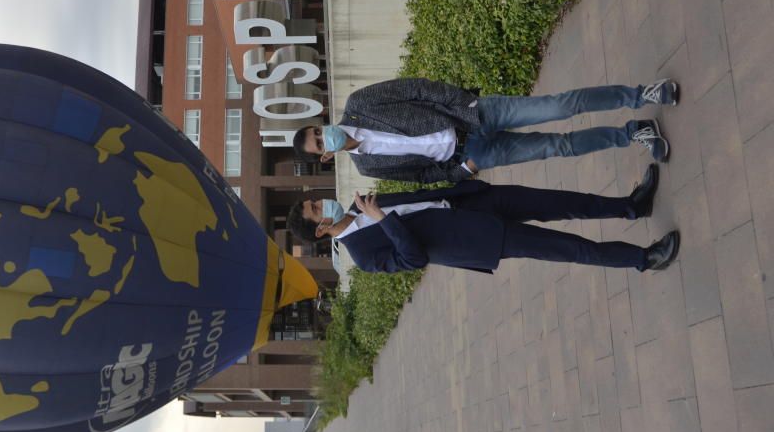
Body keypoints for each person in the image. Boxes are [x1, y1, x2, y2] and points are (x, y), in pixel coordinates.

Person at [287, 164, 679, 274]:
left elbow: (420, 196)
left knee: (561, 201)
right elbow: (413, 258)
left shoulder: (359, 203)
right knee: (571, 249)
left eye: (317, 200)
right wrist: (383, 219)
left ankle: (631, 206)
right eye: (317, 210)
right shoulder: (364, 255)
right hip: (478, 241)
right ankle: (644, 259)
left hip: (473, 203)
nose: (324, 203)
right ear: (322, 230)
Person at [292, 78, 677, 184]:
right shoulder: (368, 168)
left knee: (561, 105)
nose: (323, 137)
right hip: (474, 155)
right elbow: (424, 176)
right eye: (318, 145)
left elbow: (416, 87)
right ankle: (634, 133)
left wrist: (465, 102)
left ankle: (641, 93)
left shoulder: (360, 104)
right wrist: (464, 172)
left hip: (476, 116)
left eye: (317, 131)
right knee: (559, 147)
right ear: (326, 156)